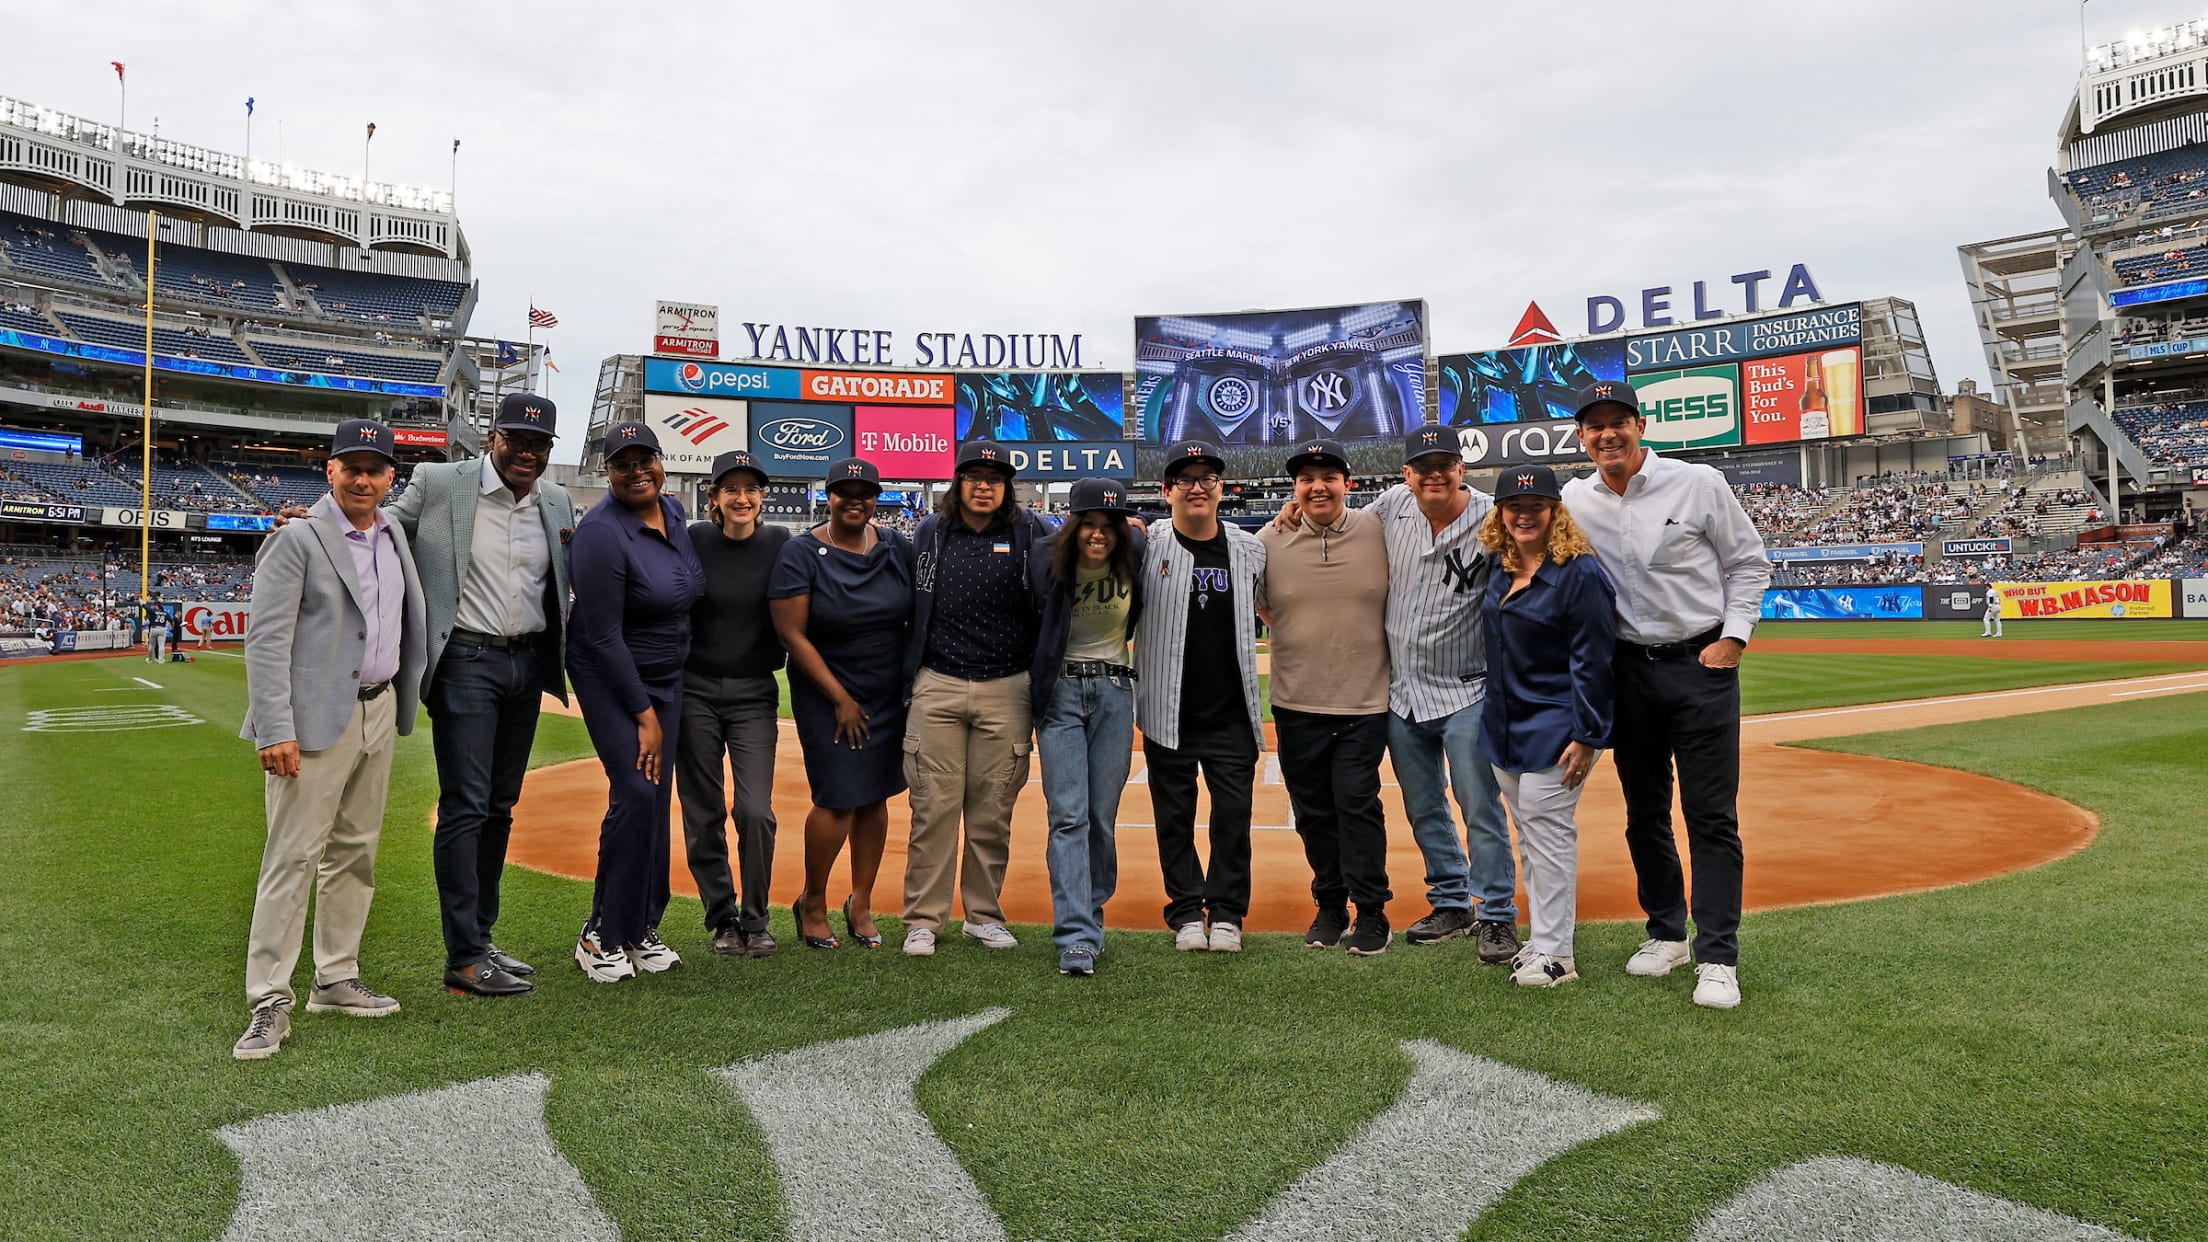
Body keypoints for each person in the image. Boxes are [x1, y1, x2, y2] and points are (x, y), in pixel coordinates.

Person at [1563, 380, 1771, 1010]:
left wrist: (1733, 638)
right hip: (1627, 671)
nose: (1607, 435)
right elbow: (1509, 517)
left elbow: (1749, 562)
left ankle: (1718, 956)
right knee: (1644, 813)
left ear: (1640, 425)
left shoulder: (1699, 482)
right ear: (1582, 437)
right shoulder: (1575, 497)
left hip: (1698, 665)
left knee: (1711, 815)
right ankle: (1666, 933)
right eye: (1595, 426)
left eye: (1618, 422)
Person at [1280, 427, 1520, 962]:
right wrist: (1288, 511)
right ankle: (1453, 902)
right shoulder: (1390, 508)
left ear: (1462, 468)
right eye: (1422, 466)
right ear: (1406, 474)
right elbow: (1329, 512)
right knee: (1423, 807)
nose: (1434, 474)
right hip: (1403, 693)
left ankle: (1498, 914)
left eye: (1444, 464)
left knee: (1478, 804)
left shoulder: (1492, 516)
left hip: (1468, 687)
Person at [234, 419, 425, 1059]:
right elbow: (264, 642)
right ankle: (269, 998)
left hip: (378, 708)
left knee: (355, 852)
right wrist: (274, 726)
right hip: (312, 720)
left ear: (391, 477)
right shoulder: (297, 540)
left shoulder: (394, 531)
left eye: (376, 468)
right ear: (331, 471)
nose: (364, 478)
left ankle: (335, 977)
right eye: (352, 467)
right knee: (291, 858)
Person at [382, 391, 575, 998]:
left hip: (527, 663)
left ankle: (482, 940)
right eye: (517, 439)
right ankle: (463, 955)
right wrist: (312, 519)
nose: (528, 452)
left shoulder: (558, 499)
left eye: (540, 444)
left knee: (500, 805)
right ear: (493, 436)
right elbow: (380, 523)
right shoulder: (442, 482)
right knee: (466, 805)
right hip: (466, 657)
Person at [898, 441, 1052, 957]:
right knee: (933, 809)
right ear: (957, 483)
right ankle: (923, 919)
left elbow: (1091, 549)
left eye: (994, 477)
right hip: (938, 682)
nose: (983, 484)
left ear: (1007, 486)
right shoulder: (930, 532)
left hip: (1007, 687)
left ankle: (983, 915)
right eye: (973, 475)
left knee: (992, 813)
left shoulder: (1032, 532)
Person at [566, 422, 705, 983]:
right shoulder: (600, 531)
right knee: (634, 794)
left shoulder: (672, 514)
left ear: (659, 461)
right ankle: (601, 933)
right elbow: (600, 636)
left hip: (666, 677)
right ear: (609, 471)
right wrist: (644, 716)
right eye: (624, 463)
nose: (637, 470)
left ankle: (642, 925)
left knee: (654, 800)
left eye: (645, 458)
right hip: (614, 679)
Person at [1476, 465, 1617, 988]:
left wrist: (1588, 734)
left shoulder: (1579, 572)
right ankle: (1540, 939)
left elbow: (1596, 660)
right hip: (1505, 726)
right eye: (1514, 504)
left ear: (1554, 510)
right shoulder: (1501, 564)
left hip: (1559, 728)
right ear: (1501, 513)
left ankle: (1559, 956)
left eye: (1536, 504)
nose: (1524, 513)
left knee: (1549, 835)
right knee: (1530, 837)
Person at [770, 457, 913, 951]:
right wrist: (840, 699)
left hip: (885, 688)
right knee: (836, 798)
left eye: (866, 492)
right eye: (844, 492)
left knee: (875, 795)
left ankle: (862, 902)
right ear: (827, 496)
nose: (855, 500)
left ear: (876, 498)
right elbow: (790, 632)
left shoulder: (895, 545)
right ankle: (812, 901)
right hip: (828, 691)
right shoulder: (801, 552)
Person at [1257, 439, 1393, 955]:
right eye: (1306, 479)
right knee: (1312, 811)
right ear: (1294, 488)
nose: (1318, 487)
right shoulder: (1271, 538)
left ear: (1348, 484)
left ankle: (1373, 911)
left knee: (1356, 803)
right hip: (1296, 703)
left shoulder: (1376, 528)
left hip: (1364, 702)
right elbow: (1265, 607)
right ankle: (1331, 905)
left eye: (1328, 477)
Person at [1133, 440, 1267, 953]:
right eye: (1185, 479)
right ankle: (1187, 911)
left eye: (1206, 478)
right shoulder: (1147, 545)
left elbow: (1273, 606)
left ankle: (1228, 913)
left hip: (1231, 712)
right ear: (1167, 491)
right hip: (1168, 710)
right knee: (1174, 819)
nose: (1196, 486)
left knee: (1233, 817)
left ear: (1221, 489)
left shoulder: (1250, 547)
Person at [1028, 477, 1145, 977]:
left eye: (1109, 526)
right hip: (1062, 694)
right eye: (1089, 525)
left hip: (1116, 692)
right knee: (1068, 815)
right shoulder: (1043, 559)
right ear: (1072, 525)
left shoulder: (1135, 548)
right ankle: (1076, 934)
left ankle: (1091, 916)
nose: (1098, 535)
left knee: (1100, 815)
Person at [676, 450, 790, 958]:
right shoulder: (694, 538)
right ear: (714, 497)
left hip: (754, 692)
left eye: (751, 489)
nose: (741, 498)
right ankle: (722, 917)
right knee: (702, 811)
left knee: (754, 811)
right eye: (730, 489)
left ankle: (757, 917)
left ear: (762, 496)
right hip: (696, 689)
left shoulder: (780, 542)